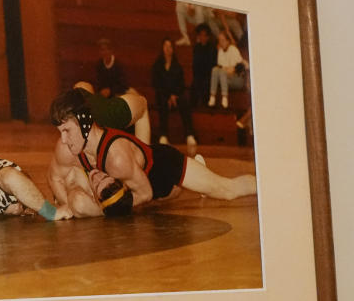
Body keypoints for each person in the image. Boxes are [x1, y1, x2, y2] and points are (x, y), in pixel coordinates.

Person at [47, 92, 257, 216]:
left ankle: (269, 186)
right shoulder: (69, 147)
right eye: (60, 132)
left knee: (226, 190)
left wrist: (107, 208)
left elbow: (146, 194)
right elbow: (54, 176)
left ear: (84, 123)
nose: (63, 140)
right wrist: (66, 207)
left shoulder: (116, 158)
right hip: (133, 174)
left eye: (67, 131)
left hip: (163, 172)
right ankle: (198, 167)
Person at [150, 38, 196, 146]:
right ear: (162, 48)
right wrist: (168, 96)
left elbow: (181, 85)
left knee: (184, 102)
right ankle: (163, 135)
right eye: (165, 46)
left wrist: (174, 96)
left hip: (176, 96)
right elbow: (156, 84)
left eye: (170, 46)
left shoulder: (177, 66)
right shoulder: (157, 66)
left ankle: (189, 135)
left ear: (172, 49)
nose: (167, 48)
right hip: (163, 96)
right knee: (162, 102)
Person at [208, 30, 249, 109]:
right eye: (219, 40)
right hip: (226, 78)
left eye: (223, 40)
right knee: (214, 70)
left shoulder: (233, 49)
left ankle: (225, 97)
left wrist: (227, 69)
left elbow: (236, 69)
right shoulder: (220, 51)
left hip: (237, 79)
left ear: (228, 41)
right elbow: (222, 68)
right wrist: (225, 69)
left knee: (221, 71)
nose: (221, 42)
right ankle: (212, 96)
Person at [190, 23, 217, 107]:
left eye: (205, 35)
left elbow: (212, 65)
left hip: (209, 76)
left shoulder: (212, 48)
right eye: (200, 35)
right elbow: (195, 65)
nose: (202, 38)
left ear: (208, 37)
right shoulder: (196, 47)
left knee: (206, 85)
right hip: (198, 75)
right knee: (194, 85)